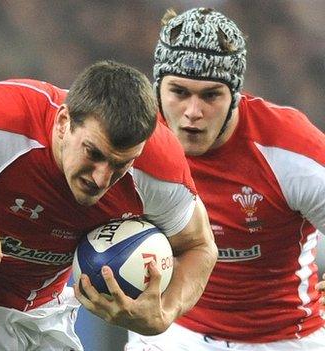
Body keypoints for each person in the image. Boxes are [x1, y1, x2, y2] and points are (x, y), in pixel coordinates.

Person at [0, 60, 218, 350]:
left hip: (45, 316)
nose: (101, 178)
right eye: (93, 154)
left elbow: (199, 245)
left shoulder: (158, 169)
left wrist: (165, 312)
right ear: (64, 122)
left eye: (120, 166)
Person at [126, 7, 325, 351]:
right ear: (157, 89)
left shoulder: (289, 149)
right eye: (179, 92)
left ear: (235, 95)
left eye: (210, 95)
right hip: (174, 330)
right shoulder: (132, 138)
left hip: (283, 337)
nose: (193, 112)